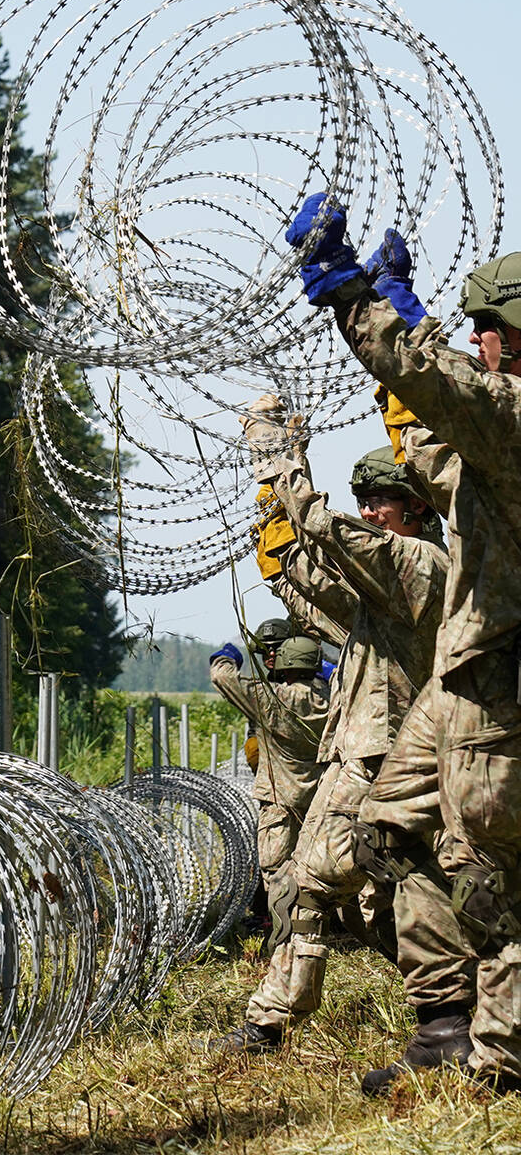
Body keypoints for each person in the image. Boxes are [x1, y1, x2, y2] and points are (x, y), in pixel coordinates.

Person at [288, 195, 521, 1091]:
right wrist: (409, 318)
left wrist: (352, 294)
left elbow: (444, 387)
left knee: (496, 873)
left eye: (485, 329)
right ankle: (444, 1023)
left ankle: (497, 1065)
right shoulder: (495, 434)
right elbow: (438, 424)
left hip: (495, 679)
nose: (479, 344)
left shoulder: (514, 418)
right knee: (391, 826)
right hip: (466, 680)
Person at [211, 407, 459, 1060]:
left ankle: (273, 1020)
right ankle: (453, 1006)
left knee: (320, 884)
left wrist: (279, 458)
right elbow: (311, 577)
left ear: (417, 508)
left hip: (387, 759)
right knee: (378, 897)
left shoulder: (421, 566)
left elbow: (331, 536)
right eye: (366, 502)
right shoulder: (387, 583)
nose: (372, 513)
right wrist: (275, 506)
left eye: (384, 502)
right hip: (368, 755)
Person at [210, 624, 328, 895]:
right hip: (321, 801)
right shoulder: (335, 697)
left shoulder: (275, 698)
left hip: (280, 803)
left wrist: (227, 655)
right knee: (318, 871)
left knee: (277, 875)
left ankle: (285, 933)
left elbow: (222, 677)